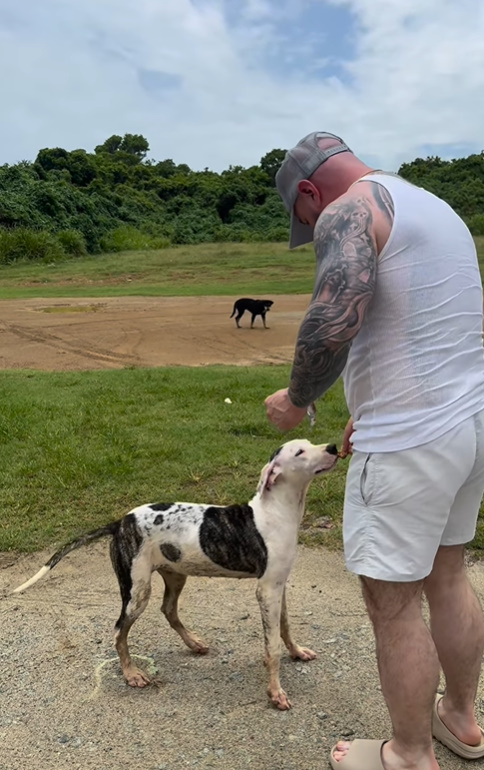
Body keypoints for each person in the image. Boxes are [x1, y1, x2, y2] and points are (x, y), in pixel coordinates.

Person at [264, 131, 484, 770]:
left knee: (392, 603)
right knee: (448, 573)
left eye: (303, 219)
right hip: (467, 424)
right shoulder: (433, 206)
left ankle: (409, 754)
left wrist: (298, 399)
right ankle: (462, 719)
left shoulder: (348, 209)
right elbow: (428, 322)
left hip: (410, 439)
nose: (312, 227)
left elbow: (336, 316)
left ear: (309, 192)